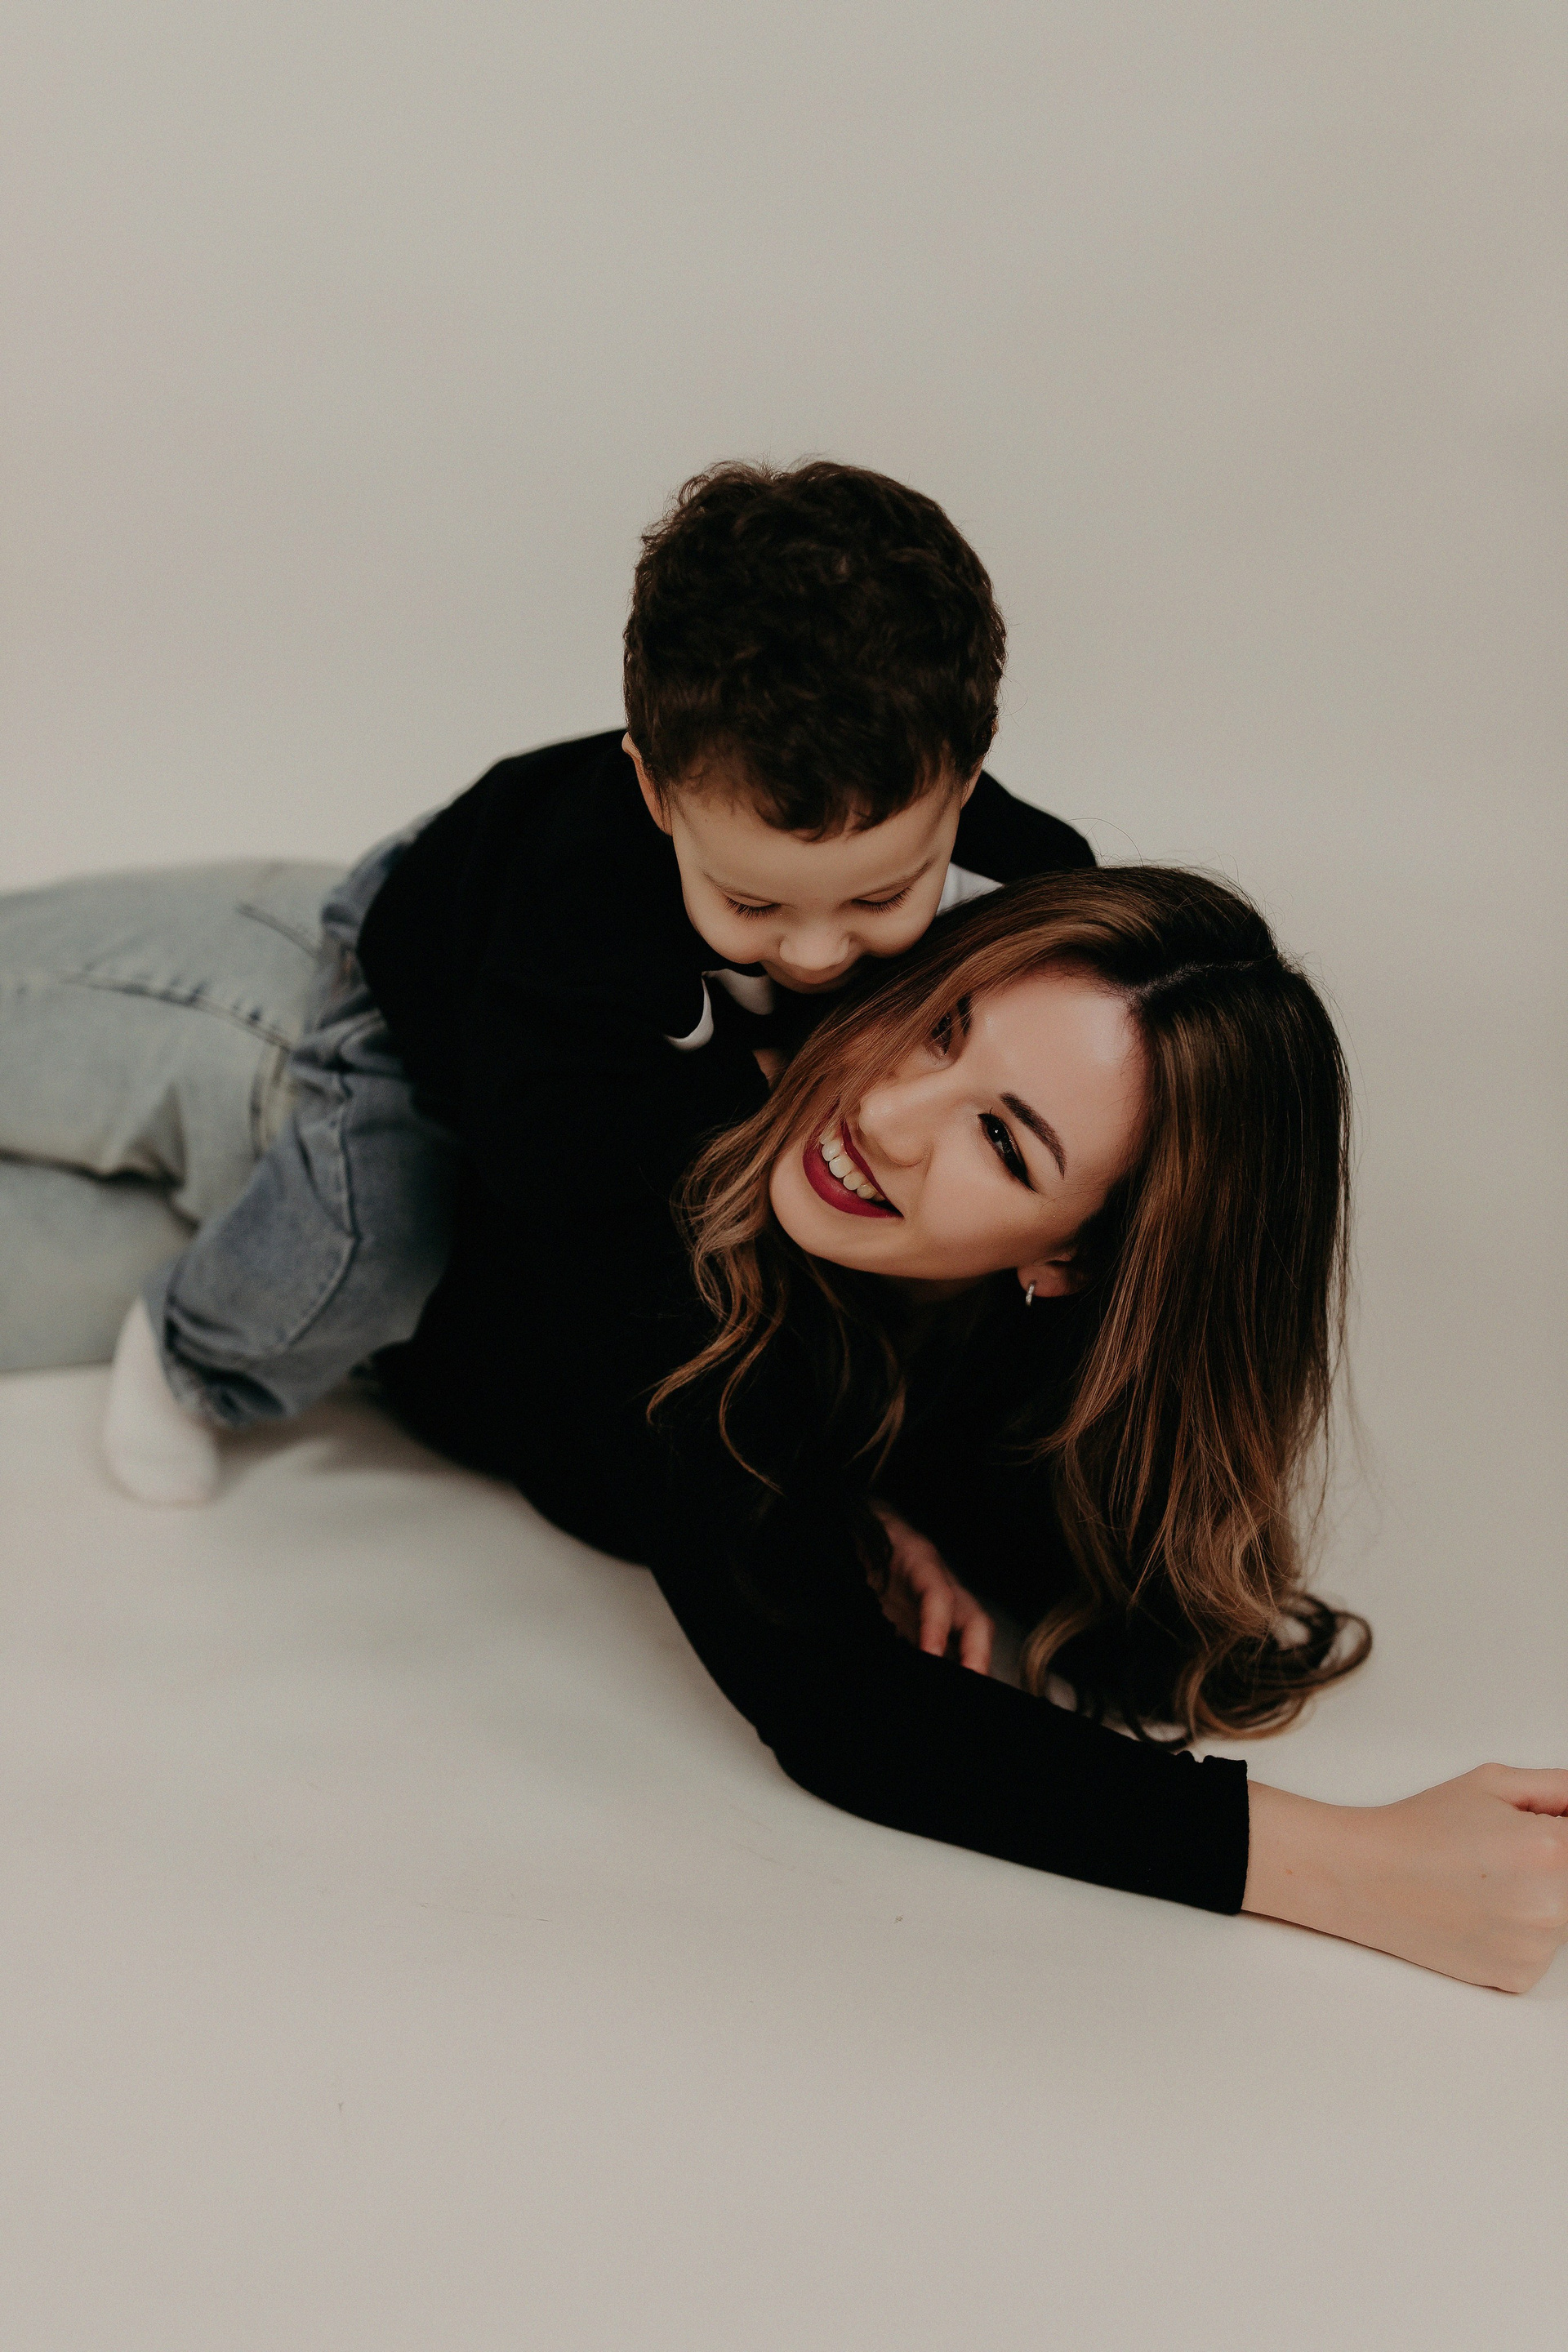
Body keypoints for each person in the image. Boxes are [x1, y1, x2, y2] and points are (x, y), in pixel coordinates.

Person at [2, 854, 1564, 1989]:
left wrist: (858, 1505)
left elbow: (924, 1595)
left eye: (1005, 1144)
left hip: (307, 1312)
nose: (882, 1114)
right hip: (288, 1049)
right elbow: (842, 1710)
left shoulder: (957, 1347)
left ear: (1074, 1264)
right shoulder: (667, 1204)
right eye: (940, 1026)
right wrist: (1357, 1868)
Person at [85, 459, 1094, 1503]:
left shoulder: (1037, 889)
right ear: (655, 792)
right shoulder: (576, 903)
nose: (816, 953)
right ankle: (186, 1352)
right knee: (375, 1237)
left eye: (882, 896)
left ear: (966, 780)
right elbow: (534, 1152)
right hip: (442, 959)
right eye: (752, 905)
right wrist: (742, 1088)